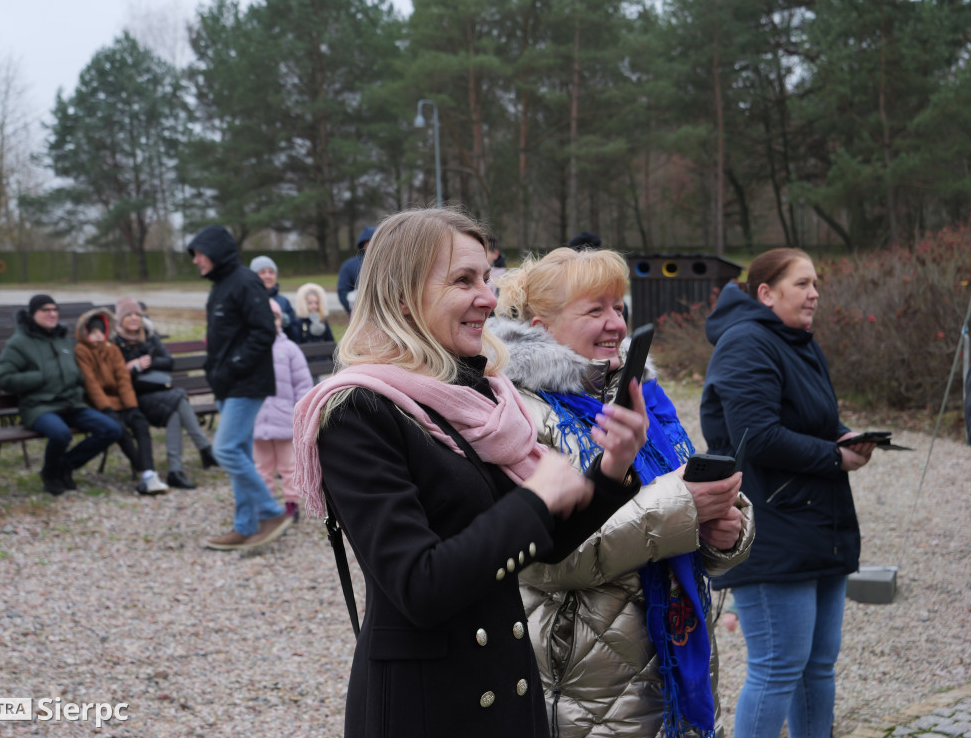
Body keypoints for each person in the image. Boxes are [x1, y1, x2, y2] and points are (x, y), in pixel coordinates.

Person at [291, 208, 651, 738]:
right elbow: (419, 584)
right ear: (400, 296)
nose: (488, 296)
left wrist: (611, 470)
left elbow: (542, 545)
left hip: (507, 684)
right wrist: (535, 501)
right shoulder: (357, 412)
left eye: (486, 276)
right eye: (463, 280)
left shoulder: (473, 398)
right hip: (431, 705)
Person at [489, 246, 754, 738]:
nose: (616, 323)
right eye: (595, 310)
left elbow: (683, 491)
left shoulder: (639, 393)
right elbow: (547, 560)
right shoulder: (519, 413)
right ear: (541, 327)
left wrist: (727, 526)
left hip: (672, 658)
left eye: (618, 306)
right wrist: (683, 510)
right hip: (589, 684)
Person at [700, 248, 876, 738]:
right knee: (778, 668)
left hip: (820, 526)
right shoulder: (745, 343)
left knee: (818, 668)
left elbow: (815, 419)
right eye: (802, 283)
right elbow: (757, 434)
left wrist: (844, 436)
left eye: (815, 282)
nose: (814, 293)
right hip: (771, 528)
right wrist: (834, 457)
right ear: (766, 293)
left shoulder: (799, 342)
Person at [188, 224, 290, 551]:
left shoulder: (246, 282)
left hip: (246, 384)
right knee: (241, 453)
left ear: (216, 253)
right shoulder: (221, 285)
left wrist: (233, 366)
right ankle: (245, 526)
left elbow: (263, 332)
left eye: (199, 254)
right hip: (227, 385)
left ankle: (273, 512)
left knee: (225, 450)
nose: (195, 261)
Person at [0, 294, 122, 495]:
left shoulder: (62, 339)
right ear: (33, 313)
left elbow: (77, 372)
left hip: (70, 403)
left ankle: (64, 466)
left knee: (111, 429)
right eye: (46, 310)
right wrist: (38, 377)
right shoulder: (19, 343)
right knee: (60, 434)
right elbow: (4, 379)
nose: (52, 314)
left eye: (54, 310)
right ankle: (51, 474)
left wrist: (78, 387)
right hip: (38, 407)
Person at [112, 296, 216, 490]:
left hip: (158, 393)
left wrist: (148, 363)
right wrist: (133, 368)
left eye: (137, 314)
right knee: (179, 398)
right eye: (129, 315)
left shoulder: (150, 336)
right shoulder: (116, 343)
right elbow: (115, 377)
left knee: (175, 410)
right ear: (120, 319)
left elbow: (169, 362)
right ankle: (203, 448)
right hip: (135, 399)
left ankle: (176, 471)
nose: (134, 318)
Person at [74, 308, 167, 495]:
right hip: (98, 404)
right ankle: (143, 471)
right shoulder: (81, 351)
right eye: (93, 333)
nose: (98, 337)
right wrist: (106, 408)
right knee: (120, 429)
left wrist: (131, 406)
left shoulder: (113, 350)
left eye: (101, 332)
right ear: (86, 333)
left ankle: (149, 472)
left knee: (140, 423)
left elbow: (123, 380)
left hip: (119, 402)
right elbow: (91, 384)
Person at [254, 299, 313, 522]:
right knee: (261, 468)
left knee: (289, 467)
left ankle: (291, 504)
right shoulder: (251, 349)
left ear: (281, 320)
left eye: (275, 316)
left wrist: (299, 414)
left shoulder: (289, 350)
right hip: (258, 420)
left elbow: (303, 385)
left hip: (284, 419)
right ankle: (266, 506)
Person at [250, 255, 298, 341]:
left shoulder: (284, 301)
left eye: (271, 272)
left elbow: (295, 336)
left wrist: (287, 325)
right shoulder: (247, 300)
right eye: (262, 272)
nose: (267, 276)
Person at [336, 225, 375, 315]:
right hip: (360, 313)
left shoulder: (389, 264)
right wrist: (355, 310)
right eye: (369, 242)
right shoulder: (350, 265)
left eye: (376, 241)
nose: (373, 245)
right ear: (363, 244)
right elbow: (343, 291)